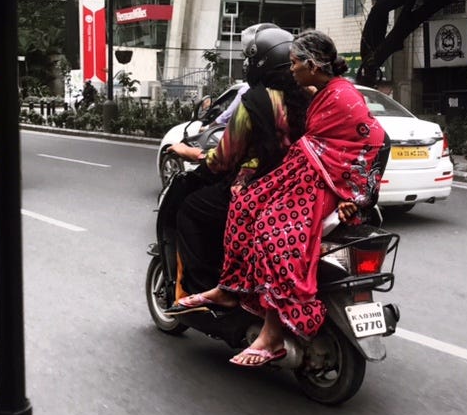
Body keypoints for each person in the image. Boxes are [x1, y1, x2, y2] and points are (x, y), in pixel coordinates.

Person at [175, 30, 388, 367]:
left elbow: (376, 141)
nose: (292, 71)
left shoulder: (342, 96)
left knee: (274, 233)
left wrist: (358, 196)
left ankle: (272, 334)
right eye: (287, 64)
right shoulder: (316, 92)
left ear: (312, 64)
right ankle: (230, 289)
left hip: (321, 184)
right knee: (243, 206)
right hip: (299, 174)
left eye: (296, 64)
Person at [166, 24, 312, 298]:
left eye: (250, 59)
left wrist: (192, 154)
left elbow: (223, 159)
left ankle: (203, 291)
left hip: (257, 190)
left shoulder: (255, 101)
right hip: (299, 193)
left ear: (260, 63)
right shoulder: (310, 98)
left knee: (190, 208)